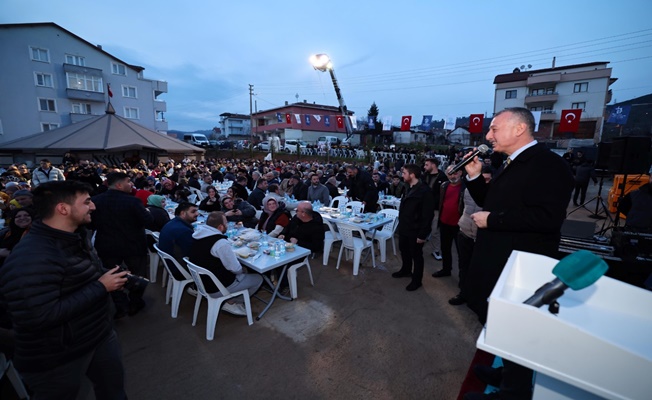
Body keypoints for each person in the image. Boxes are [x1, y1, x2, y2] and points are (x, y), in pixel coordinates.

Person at [462, 108, 574, 400]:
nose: (488, 136)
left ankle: (514, 391)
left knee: (514, 322)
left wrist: (494, 221)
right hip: (499, 256)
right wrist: (474, 178)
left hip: (519, 262)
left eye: (495, 129)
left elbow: (547, 218)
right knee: (494, 313)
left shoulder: (548, 165)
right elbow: (493, 203)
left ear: (519, 129)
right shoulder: (512, 162)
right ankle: (508, 372)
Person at [0, 180, 128, 399]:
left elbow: (80, 273)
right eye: (87, 202)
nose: (94, 206)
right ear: (63, 209)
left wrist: (112, 276)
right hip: (56, 356)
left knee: (114, 393)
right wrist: (101, 287)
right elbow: (38, 317)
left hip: (98, 335)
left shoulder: (77, 236)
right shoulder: (31, 258)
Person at [91, 172, 153, 318]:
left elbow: (91, 224)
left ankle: (120, 304)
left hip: (107, 245)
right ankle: (135, 303)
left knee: (112, 276)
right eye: (128, 181)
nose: (131, 184)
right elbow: (148, 221)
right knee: (138, 275)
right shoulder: (133, 202)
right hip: (133, 245)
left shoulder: (96, 201)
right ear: (119, 185)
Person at [189, 211, 263, 316]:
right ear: (220, 227)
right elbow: (235, 269)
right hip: (216, 287)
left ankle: (233, 298)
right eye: (226, 224)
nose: (227, 226)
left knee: (243, 270)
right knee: (258, 278)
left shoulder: (197, 235)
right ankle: (233, 302)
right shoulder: (220, 243)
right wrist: (242, 270)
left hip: (202, 282)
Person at [449, 166, 493, 306]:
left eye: (487, 179)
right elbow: (462, 208)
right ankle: (463, 293)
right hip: (465, 232)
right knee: (463, 266)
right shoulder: (468, 190)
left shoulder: (494, 194)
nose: (484, 182)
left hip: (482, 237)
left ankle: (478, 298)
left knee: (480, 270)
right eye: (482, 179)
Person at [391, 164, 436, 291]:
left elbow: (428, 215)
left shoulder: (425, 191)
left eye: (404, 173)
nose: (402, 175)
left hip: (416, 230)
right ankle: (405, 270)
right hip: (405, 228)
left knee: (416, 255)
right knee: (404, 251)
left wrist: (423, 234)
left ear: (412, 175)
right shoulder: (407, 187)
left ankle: (417, 280)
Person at [432, 166, 464, 278]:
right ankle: (446, 269)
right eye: (450, 173)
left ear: (460, 172)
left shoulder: (465, 187)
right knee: (445, 249)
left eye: (455, 173)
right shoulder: (444, 186)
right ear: (446, 174)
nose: (453, 176)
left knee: (462, 253)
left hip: (459, 226)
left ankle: (463, 277)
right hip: (444, 223)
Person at [423, 158, 448, 261]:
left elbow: (443, 195)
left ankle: (436, 250)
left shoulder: (442, 177)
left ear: (433, 165)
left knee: (435, 231)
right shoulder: (425, 176)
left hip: (436, 209)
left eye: (426, 165)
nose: (424, 167)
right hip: (424, 208)